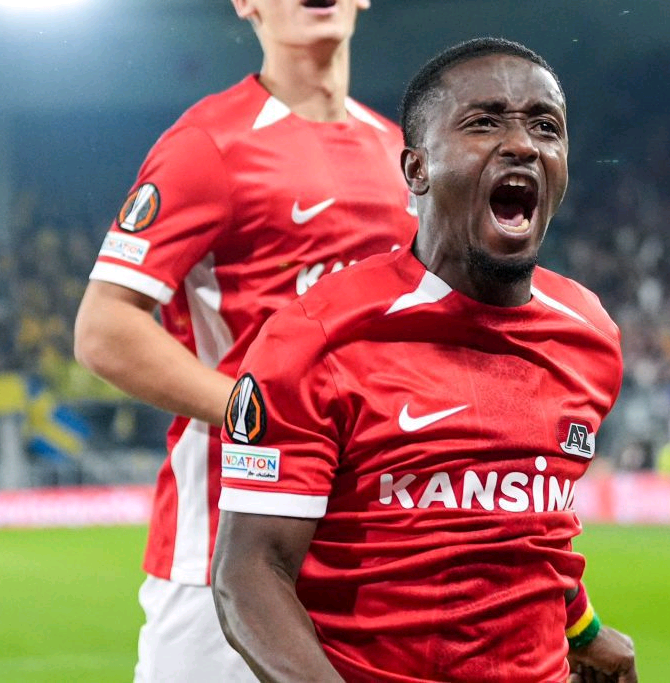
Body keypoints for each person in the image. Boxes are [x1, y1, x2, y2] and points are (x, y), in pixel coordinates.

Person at [211, 37, 638, 682]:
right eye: (484, 122)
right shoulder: (317, 340)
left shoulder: (590, 335)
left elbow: (528, 530)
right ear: (416, 169)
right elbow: (249, 572)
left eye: (546, 127)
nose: (523, 145)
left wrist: (587, 632)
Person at [73, 1, 417, 680]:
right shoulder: (209, 144)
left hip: (368, 549)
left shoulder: (400, 154)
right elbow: (104, 328)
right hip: (225, 544)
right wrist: (259, 412)